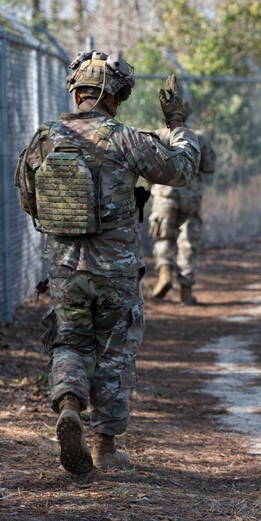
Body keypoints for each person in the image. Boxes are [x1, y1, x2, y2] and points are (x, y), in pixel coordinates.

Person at [15, 50, 200, 475]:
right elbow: (182, 168)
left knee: (70, 342)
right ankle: (105, 447)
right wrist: (177, 124)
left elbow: (29, 200)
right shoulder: (125, 138)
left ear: (76, 91)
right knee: (115, 352)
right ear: (114, 96)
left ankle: (68, 405)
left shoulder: (44, 139)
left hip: (65, 270)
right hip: (115, 271)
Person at [149, 111, 217, 304]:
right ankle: (186, 291)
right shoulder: (198, 137)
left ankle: (164, 274)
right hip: (190, 194)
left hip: (164, 193)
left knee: (163, 236)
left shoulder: (158, 135)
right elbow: (210, 166)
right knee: (188, 240)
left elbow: (146, 166)